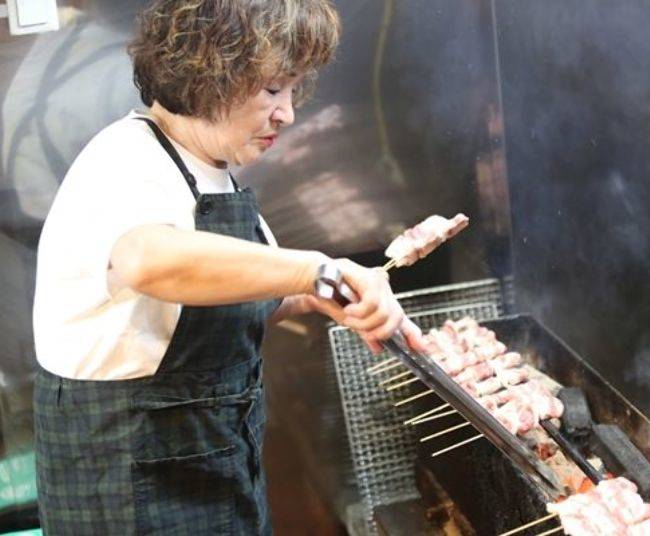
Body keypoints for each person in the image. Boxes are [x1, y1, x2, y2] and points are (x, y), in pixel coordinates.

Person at [32, 1, 424, 534]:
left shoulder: (212, 170)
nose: (287, 113)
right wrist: (314, 269)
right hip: (129, 479)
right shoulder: (125, 159)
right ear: (210, 69)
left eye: (291, 91)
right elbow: (149, 260)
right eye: (272, 90)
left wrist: (315, 297)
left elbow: (219, 304)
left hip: (215, 464)